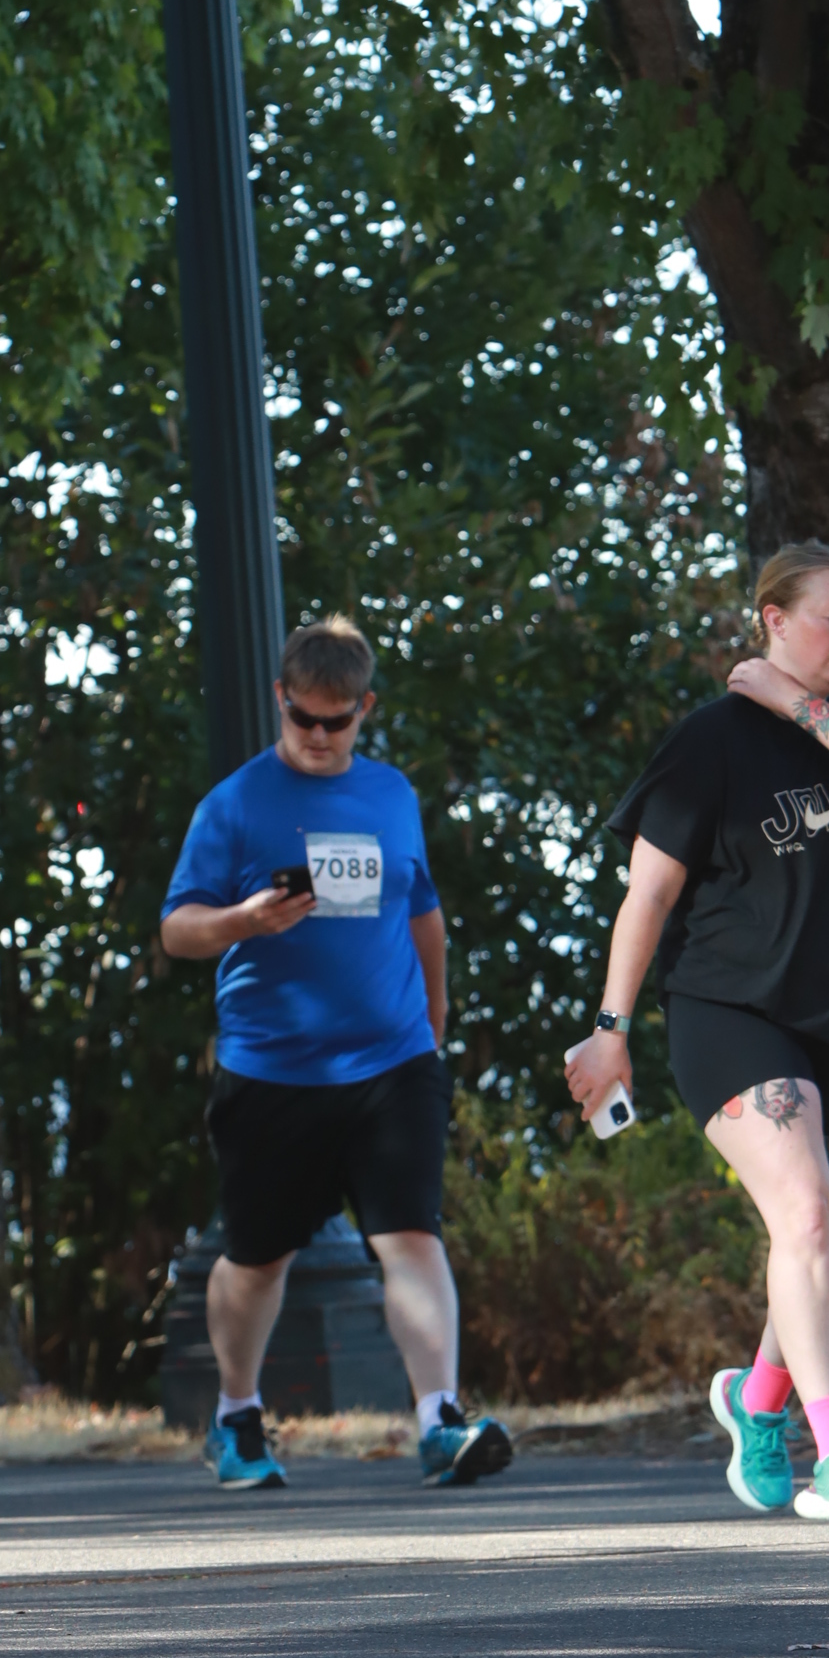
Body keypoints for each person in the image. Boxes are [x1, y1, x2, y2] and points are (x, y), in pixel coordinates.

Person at [565, 544, 829, 1522]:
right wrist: (609, 1029)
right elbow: (648, 896)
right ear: (772, 618)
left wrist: (791, 702)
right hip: (730, 1010)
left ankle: (757, 1399)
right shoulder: (708, 743)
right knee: (805, 1219)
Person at [159, 614, 512, 1493]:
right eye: (304, 718)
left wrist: (434, 1015)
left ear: (366, 709)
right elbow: (177, 930)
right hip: (272, 1070)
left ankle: (440, 1421)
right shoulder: (235, 803)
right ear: (281, 698)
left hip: (393, 1062)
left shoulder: (391, 794)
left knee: (411, 1236)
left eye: (337, 721)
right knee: (256, 1259)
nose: (319, 737)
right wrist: (243, 920)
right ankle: (236, 1415)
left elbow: (422, 908)